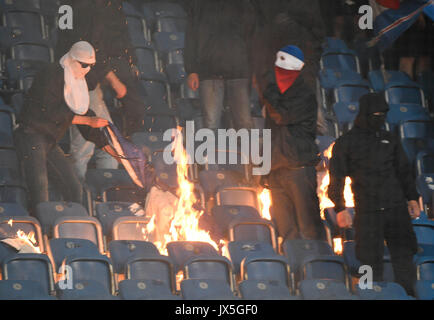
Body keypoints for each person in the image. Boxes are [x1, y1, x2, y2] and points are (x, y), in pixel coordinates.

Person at [328, 92, 420, 296]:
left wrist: (412, 197)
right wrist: (340, 208)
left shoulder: (390, 139)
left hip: (396, 208)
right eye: (375, 114)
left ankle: (407, 295)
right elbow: (337, 177)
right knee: (368, 261)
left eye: (383, 114)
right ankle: (369, 293)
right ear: (365, 114)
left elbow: (404, 171)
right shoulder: (346, 142)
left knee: (404, 257)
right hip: (367, 211)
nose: (380, 118)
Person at [14, 41, 117, 212]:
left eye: (91, 65)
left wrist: (109, 148)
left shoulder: (77, 82)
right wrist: (88, 121)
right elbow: (50, 112)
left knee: (74, 188)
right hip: (31, 134)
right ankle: (40, 233)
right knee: (40, 191)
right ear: (73, 59)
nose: (87, 69)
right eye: (84, 65)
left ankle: (73, 228)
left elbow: (85, 117)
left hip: (49, 139)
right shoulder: (52, 74)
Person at [56, 0, 147, 180]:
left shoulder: (88, 6)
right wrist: (113, 79)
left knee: (104, 140)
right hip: (80, 80)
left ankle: (105, 191)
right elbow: (89, 46)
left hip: (85, 78)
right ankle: (79, 195)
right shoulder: (87, 8)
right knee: (85, 146)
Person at [263, 45, 326, 242]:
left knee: (309, 228)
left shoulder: (304, 95)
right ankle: (294, 268)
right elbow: (269, 133)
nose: (280, 71)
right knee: (286, 232)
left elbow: (282, 116)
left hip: (298, 168)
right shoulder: (275, 93)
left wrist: (268, 94)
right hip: (276, 169)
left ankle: (317, 269)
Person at [184, 0, 256, 130]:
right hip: (209, 70)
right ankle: (210, 150)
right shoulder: (199, 4)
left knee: (244, 123)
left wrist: (254, 69)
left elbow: (252, 37)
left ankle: (247, 150)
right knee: (211, 125)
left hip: (238, 70)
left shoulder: (244, 4)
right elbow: (190, 37)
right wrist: (191, 70)